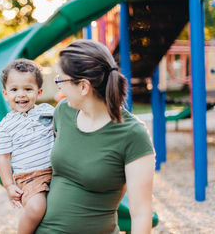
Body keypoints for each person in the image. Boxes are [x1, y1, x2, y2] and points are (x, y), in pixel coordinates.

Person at [35, 39, 155, 234]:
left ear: (83, 86)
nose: (59, 87)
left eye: (61, 81)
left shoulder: (133, 135)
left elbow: (141, 213)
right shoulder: (63, 112)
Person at [0, 59, 55, 234]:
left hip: (57, 171)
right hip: (29, 178)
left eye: (28, 89)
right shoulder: (5, 126)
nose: (21, 94)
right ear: (5, 94)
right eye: (14, 90)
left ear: (39, 91)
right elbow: (4, 158)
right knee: (37, 208)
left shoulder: (48, 111)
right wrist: (8, 185)